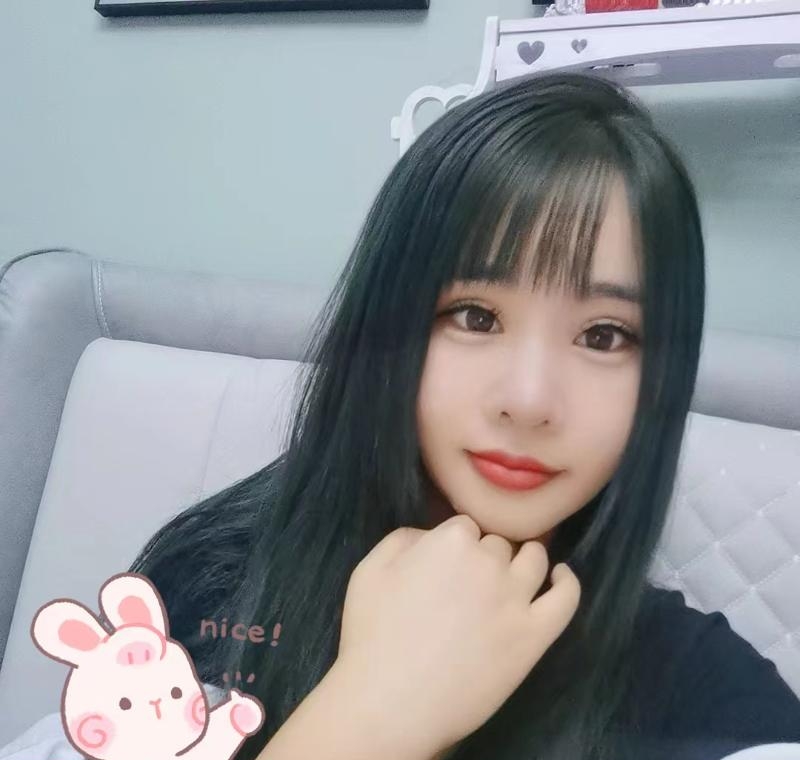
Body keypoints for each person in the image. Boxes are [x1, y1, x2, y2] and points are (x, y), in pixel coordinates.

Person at [3, 71, 799, 760]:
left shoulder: (703, 690)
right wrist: (371, 713)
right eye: (475, 317)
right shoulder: (218, 578)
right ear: (387, 325)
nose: (528, 401)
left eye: (604, 336)